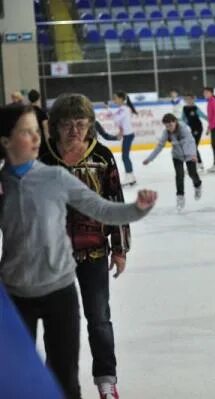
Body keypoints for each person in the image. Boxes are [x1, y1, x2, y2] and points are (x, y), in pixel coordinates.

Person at [0, 103, 157, 399]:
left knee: (83, 344)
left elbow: (104, 206)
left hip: (74, 273)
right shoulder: (14, 178)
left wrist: (130, 223)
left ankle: (106, 379)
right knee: (19, 375)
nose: (35, 138)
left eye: (36, 131)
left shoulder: (68, 170)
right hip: (16, 290)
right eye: (26, 132)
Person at [38, 93, 131, 399]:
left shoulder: (102, 157)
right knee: (59, 324)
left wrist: (119, 248)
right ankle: (57, 383)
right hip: (53, 256)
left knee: (99, 319)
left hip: (93, 253)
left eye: (81, 123)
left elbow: (115, 202)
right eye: (67, 124)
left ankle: (106, 380)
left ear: (90, 125)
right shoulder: (42, 157)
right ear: (55, 127)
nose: (74, 130)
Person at [143, 113, 202, 211]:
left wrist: (193, 155)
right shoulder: (166, 132)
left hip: (189, 154)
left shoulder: (183, 129)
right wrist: (149, 159)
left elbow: (191, 141)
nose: (169, 128)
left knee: (192, 173)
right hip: (177, 155)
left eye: (170, 125)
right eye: (166, 126)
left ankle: (198, 185)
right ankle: (180, 197)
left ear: (175, 122)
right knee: (179, 175)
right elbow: (160, 146)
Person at [106, 91, 137, 186]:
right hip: (127, 135)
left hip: (129, 135)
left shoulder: (124, 109)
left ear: (121, 98)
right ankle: (131, 177)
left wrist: (110, 112)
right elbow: (118, 121)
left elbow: (116, 119)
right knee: (125, 156)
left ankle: (130, 177)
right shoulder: (122, 109)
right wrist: (108, 109)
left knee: (125, 157)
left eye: (115, 98)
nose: (114, 100)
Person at [181, 93, 204, 171]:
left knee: (193, 146)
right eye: (186, 99)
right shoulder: (184, 108)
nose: (188, 101)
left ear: (193, 99)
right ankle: (199, 163)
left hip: (198, 128)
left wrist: (211, 123)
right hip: (192, 129)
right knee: (192, 146)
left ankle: (198, 163)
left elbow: (203, 116)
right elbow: (183, 118)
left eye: (189, 99)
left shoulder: (195, 108)